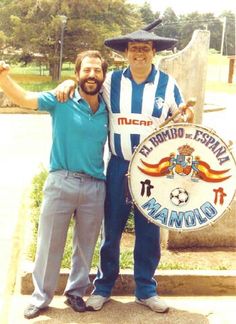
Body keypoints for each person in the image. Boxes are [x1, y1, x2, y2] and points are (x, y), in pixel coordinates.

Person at [56, 25, 194, 314]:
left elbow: (182, 114)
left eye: (145, 48)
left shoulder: (167, 84)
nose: (139, 53)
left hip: (152, 171)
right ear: (126, 53)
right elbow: (86, 83)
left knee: (148, 231)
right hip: (118, 165)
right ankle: (103, 287)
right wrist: (67, 84)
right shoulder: (112, 81)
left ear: (153, 52)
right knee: (111, 228)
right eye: (134, 48)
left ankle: (145, 289)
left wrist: (188, 114)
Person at [0, 50, 108, 319]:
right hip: (62, 181)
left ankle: (75, 293)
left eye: (97, 70)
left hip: (95, 186)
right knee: (49, 244)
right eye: (86, 70)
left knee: (86, 245)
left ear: (104, 75)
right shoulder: (61, 99)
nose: (92, 75)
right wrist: (3, 78)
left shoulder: (109, 105)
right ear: (77, 73)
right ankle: (41, 296)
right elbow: (24, 99)